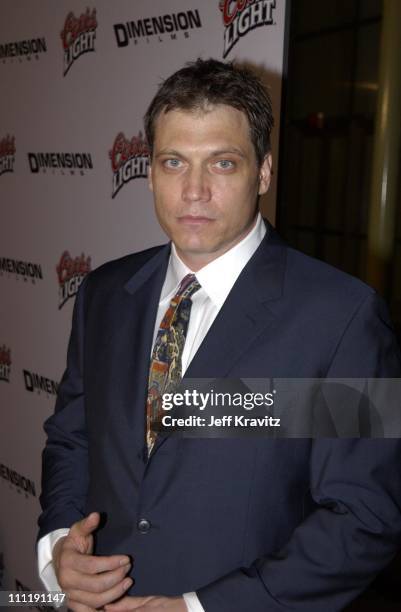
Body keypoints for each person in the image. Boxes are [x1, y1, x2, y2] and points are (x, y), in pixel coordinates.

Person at [38, 58, 401, 612]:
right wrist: (60, 546)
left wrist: (199, 606)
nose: (194, 191)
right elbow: (73, 439)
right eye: (173, 162)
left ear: (263, 172)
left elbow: (363, 518)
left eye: (223, 164)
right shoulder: (105, 294)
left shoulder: (341, 318)